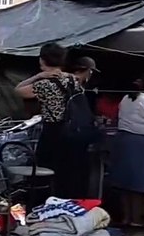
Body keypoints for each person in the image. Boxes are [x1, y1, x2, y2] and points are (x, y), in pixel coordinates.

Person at [16, 44, 92, 198]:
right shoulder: (73, 79)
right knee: (69, 174)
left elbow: (18, 90)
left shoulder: (45, 83)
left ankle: (44, 205)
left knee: (46, 174)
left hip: (54, 132)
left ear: (42, 60)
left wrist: (37, 76)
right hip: (74, 132)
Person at [108, 73, 144, 227]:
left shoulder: (126, 98)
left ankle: (126, 218)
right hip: (141, 144)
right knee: (139, 184)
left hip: (123, 141)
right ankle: (137, 219)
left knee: (125, 184)